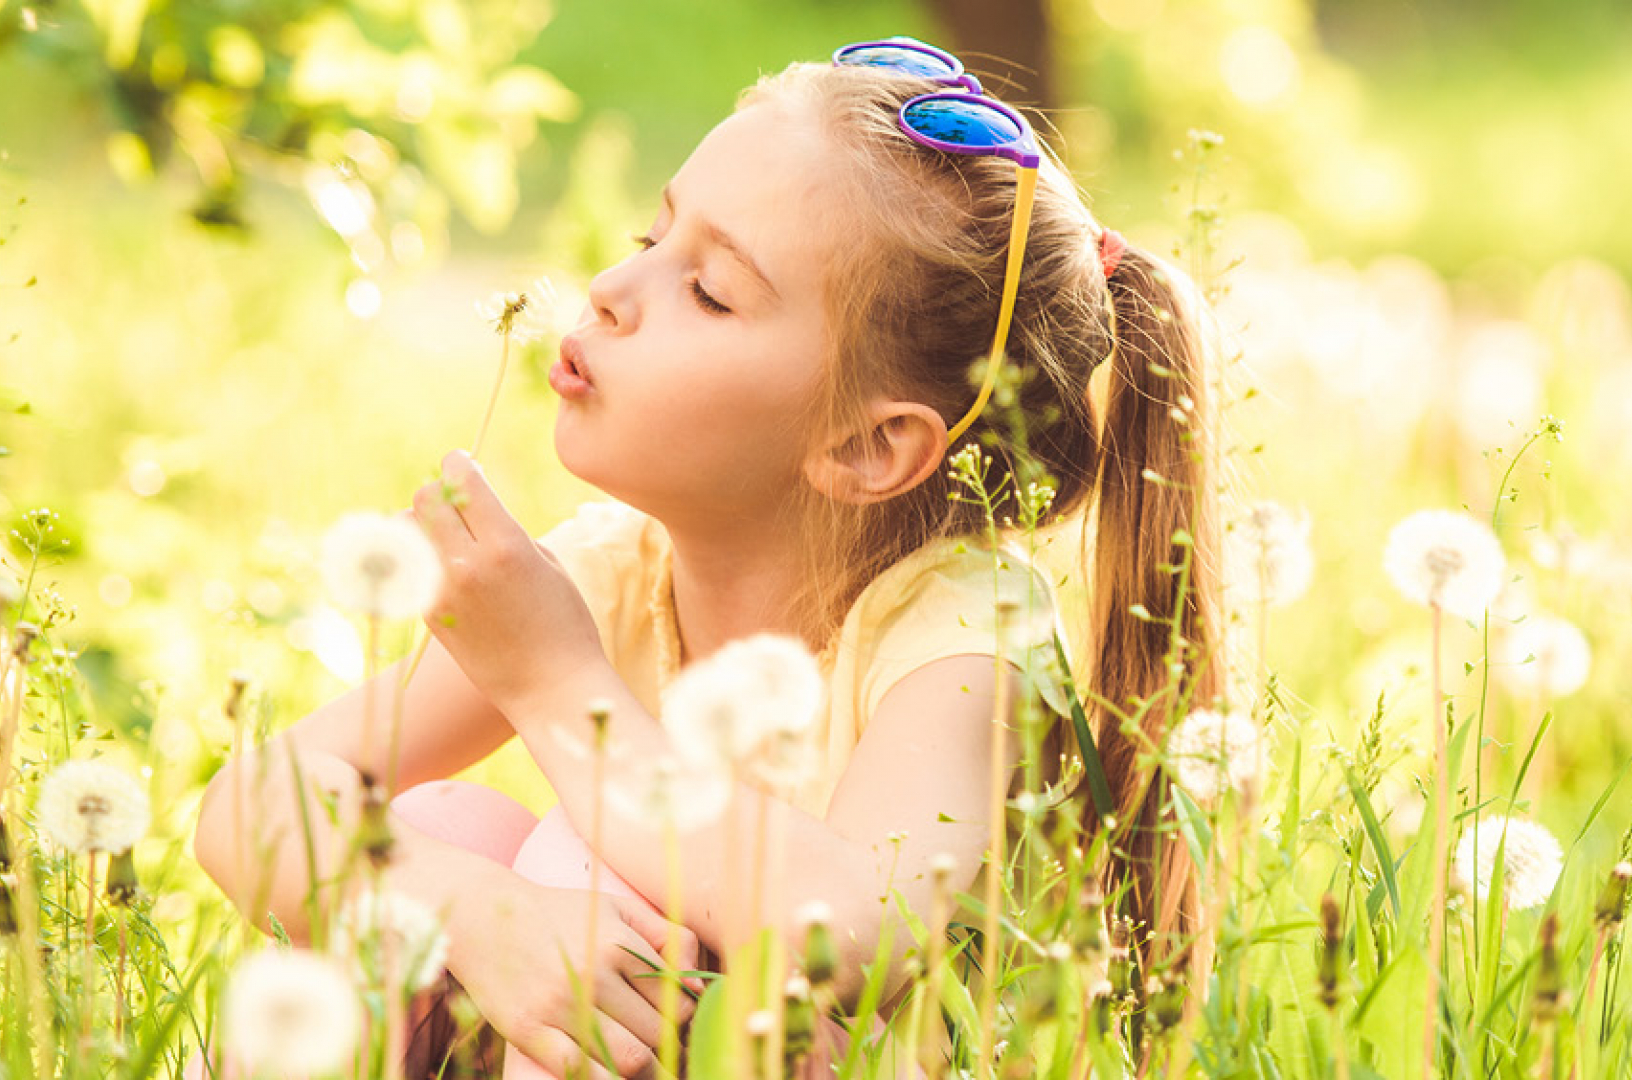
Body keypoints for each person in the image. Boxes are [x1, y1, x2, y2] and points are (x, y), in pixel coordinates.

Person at [194, 37, 1226, 1080]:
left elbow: (848, 936)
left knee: (592, 876)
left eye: (711, 291)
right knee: (433, 829)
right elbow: (248, 810)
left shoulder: (964, 631)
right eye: (653, 233)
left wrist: (555, 686)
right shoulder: (605, 576)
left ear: (869, 446)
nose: (609, 287)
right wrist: (473, 910)